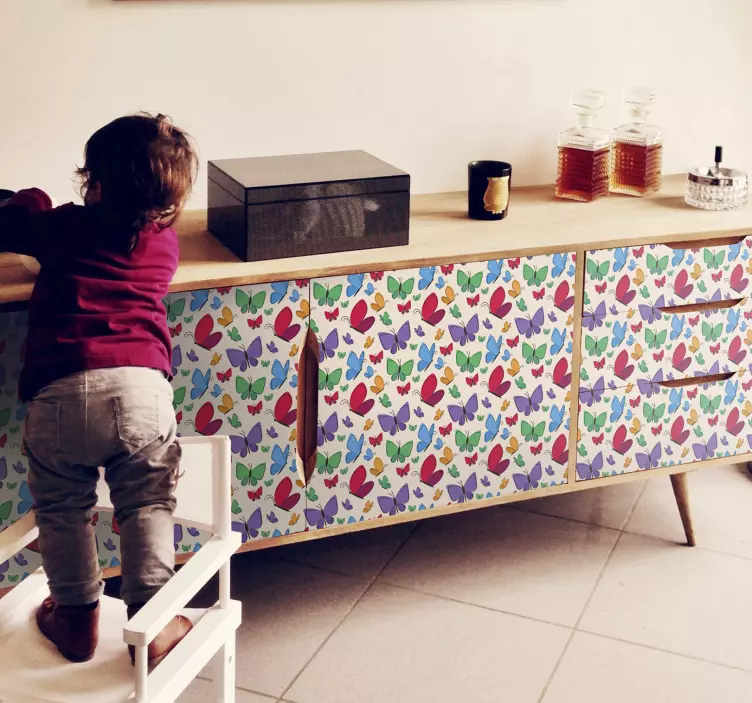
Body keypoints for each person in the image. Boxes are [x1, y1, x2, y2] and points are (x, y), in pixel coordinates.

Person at [0, 113, 197, 664]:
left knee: (63, 509)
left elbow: (13, 224)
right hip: (142, 392)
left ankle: (76, 618)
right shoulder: (164, 244)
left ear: (97, 185)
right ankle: (154, 621)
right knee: (148, 503)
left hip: (60, 393)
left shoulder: (64, 227)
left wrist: (32, 199)